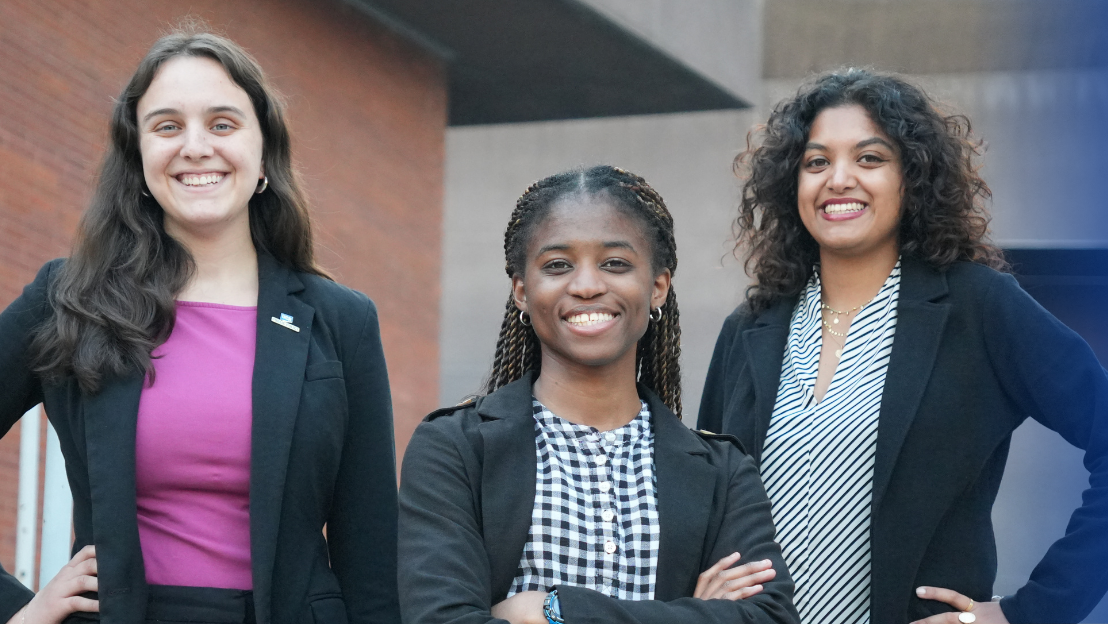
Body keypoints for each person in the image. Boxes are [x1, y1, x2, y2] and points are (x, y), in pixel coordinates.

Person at [701, 68, 1108, 624]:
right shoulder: (750, 328)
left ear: (912, 177)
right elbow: (710, 497)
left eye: (870, 158)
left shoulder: (977, 307)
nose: (839, 179)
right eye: (816, 162)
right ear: (793, 183)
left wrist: (1024, 614)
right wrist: (700, 592)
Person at [0, 29, 397, 624]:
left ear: (264, 154)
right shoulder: (68, 299)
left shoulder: (342, 320)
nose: (195, 147)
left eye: (222, 123)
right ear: (137, 159)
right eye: (166, 126)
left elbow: (370, 551)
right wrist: (20, 611)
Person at [399, 166, 795, 624]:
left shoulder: (723, 471)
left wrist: (555, 611)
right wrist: (695, 615)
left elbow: (770, 618)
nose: (587, 286)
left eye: (615, 264)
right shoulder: (455, 450)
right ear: (522, 292)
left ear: (658, 287)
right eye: (557, 265)